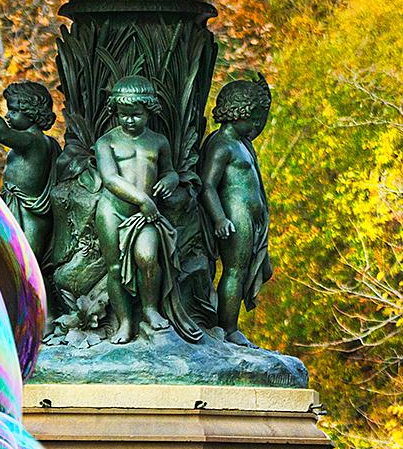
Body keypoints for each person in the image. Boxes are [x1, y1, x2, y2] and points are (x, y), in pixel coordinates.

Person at [93, 75, 203, 343]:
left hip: (147, 215)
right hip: (114, 210)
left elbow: (169, 171)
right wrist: (142, 199)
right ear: (115, 113)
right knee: (115, 269)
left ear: (148, 112)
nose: (130, 120)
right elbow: (110, 178)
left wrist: (169, 180)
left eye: (136, 115)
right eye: (124, 115)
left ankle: (150, 310)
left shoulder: (158, 141)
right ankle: (125, 322)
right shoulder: (106, 143)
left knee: (147, 258)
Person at [200, 74, 273, 346]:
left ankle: (231, 326)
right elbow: (207, 185)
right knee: (234, 270)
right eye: (252, 117)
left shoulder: (244, 145)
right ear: (237, 113)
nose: (256, 124)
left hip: (252, 217)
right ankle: (228, 329)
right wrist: (219, 218)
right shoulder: (222, 145)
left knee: (242, 271)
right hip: (234, 215)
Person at [0, 75, 59, 266]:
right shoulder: (42, 143)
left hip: (28, 216)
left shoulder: (33, 141)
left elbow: (2, 133)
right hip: (19, 211)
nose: (8, 115)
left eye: (14, 111)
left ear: (32, 113)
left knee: (24, 267)